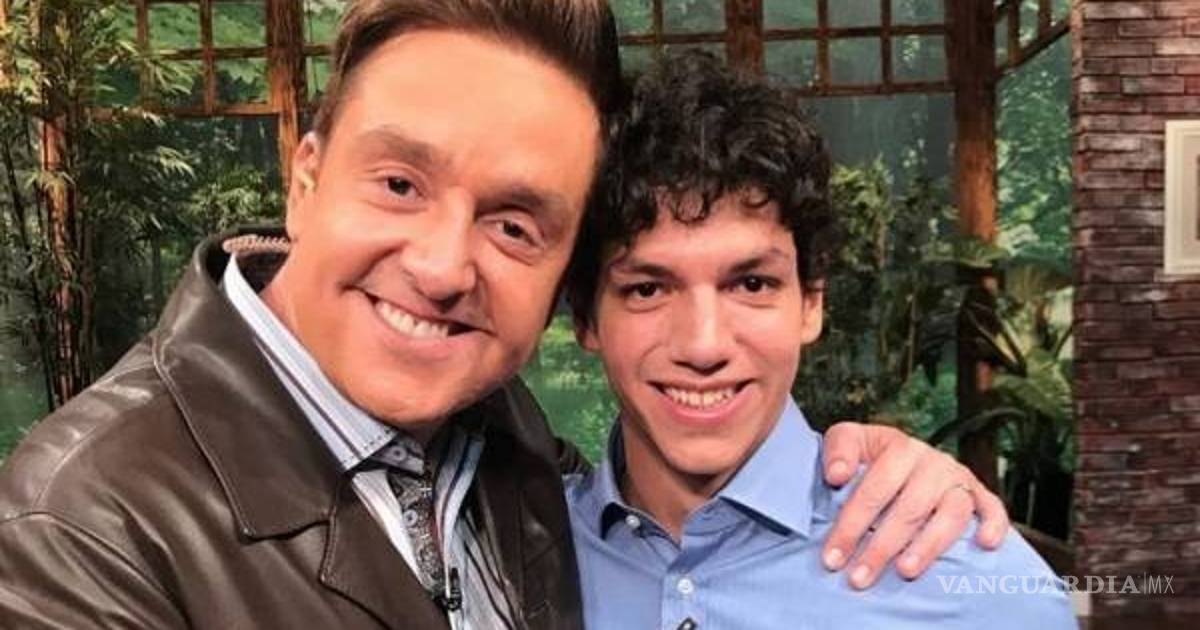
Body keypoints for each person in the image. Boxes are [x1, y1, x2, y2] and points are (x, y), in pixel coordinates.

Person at [0, 2, 1006, 629]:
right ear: (304, 178)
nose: (443, 268)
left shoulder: (508, 453)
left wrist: (873, 468)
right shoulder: (82, 528)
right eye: (400, 183)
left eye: (516, 225)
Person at [563, 51, 1075, 630]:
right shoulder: (512, 556)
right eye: (648, 289)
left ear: (811, 303)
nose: (704, 346)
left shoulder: (975, 585)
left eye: (751, 284)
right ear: (585, 318)